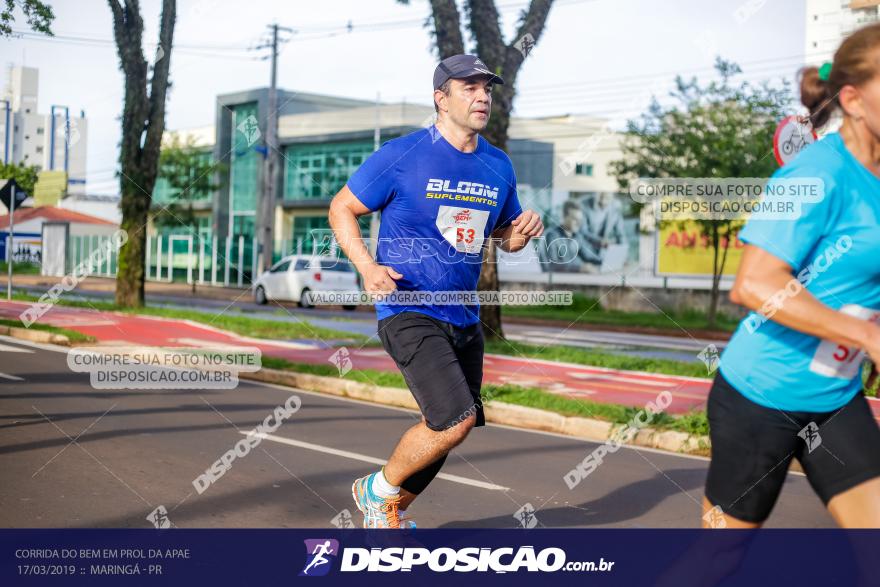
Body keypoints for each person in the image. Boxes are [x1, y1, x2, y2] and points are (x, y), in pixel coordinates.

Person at [328, 54, 543, 528]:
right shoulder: (403, 154)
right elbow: (341, 207)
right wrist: (367, 266)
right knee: (454, 417)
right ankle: (376, 489)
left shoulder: (498, 164)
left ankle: (387, 513)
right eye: (469, 87)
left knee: (448, 428)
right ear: (440, 97)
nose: (483, 96)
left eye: (487, 88)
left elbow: (502, 237)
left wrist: (522, 232)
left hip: (464, 316)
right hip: (408, 307)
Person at [703, 23, 880, 529]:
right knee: (718, 562)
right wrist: (866, 334)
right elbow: (753, 284)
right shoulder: (812, 174)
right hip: (760, 397)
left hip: (836, 401)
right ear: (854, 99)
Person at [543, 199, 602, 272]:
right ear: (564, 217)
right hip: (556, 280)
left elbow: (589, 256)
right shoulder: (552, 235)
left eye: (580, 220)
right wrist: (580, 268)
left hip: (572, 279)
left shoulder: (577, 236)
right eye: (575, 219)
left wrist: (606, 262)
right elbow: (552, 264)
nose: (578, 223)